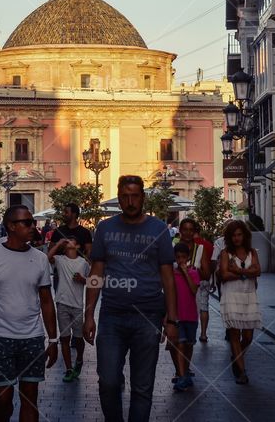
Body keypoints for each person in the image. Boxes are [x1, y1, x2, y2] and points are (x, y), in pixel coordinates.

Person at [83, 174, 177, 422]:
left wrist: (172, 319)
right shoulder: (105, 228)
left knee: (143, 386)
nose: (130, 201)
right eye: (125, 196)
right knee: (108, 381)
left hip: (148, 316)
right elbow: (96, 272)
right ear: (119, 198)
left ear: (143, 197)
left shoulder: (159, 229)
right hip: (112, 316)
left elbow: (168, 275)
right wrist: (89, 314)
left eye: (135, 196)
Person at [0, 206, 58, 422]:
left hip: (32, 338)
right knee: (2, 400)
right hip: (0, 338)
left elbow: (46, 301)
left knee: (30, 398)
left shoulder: (39, 259)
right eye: (27, 222)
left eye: (32, 222)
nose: (33, 227)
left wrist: (54, 339)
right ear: (11, 226)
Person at [218, 220, 262, 385]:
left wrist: (237, 270)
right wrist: (246, 273)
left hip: (249, 296)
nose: (236, 238)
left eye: (239, 234)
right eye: (233, 235)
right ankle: (241, 372)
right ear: (229, 237)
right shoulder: (225, 253)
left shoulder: (252, 252)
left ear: (244, 235)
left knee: (249, 336)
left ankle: (236, 357)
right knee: (235, 334)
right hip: (231, 295)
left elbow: (258, 271)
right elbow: (224, 275)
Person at [47, 238, 90, 382]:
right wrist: (58, 244)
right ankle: (69, 369)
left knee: (78, 339)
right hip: (62, 303)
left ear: (77, 245)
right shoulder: (60, 259)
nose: (67, 243)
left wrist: (83, 280)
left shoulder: (83, 263)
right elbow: (47, 258)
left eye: (70, 241)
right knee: (65, 338)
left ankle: (79, 359)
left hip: (77, 305)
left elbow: (93, 281)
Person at [177, 218, 213, 343]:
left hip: (194, 294)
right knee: (178, 340)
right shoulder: (173, 246)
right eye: (185, 230)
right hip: (177, 295)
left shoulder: (200, 249)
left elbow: (207, 274)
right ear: (180, 231)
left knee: (189, 341)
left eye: (191, 230)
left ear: (194, 232)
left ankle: (202, 333)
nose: (188, 233)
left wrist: (193, 270)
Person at [170, 242, 200, 392]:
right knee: (180, 344)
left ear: (188, 258)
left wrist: (186, 272)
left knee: (189, 345)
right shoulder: (172, 274)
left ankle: (186, 371)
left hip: (191, 316)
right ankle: (181, 376)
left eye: (183, 257)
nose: (180, 260)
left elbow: (194, 290)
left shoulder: (193, 272)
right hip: (178, 316)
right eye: (178, 257)